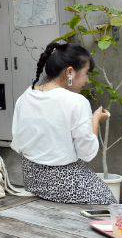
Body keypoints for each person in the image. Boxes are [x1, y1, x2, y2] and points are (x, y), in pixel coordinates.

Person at [11, 42, 115, 204]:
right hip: (64, 183)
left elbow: (18, 140)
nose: (87, 80)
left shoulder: (26, 96)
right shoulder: (76, 101)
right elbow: (87, 153)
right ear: (70, 72)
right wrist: (95, 121)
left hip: (32, 179)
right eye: (86, 73)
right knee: (109, 200)